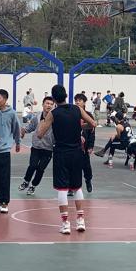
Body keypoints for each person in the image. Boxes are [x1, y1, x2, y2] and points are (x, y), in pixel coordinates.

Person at [37, 84, 97, 235]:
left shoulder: (53, 113)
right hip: (77, 152)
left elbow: (40, 134)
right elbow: (93, 124)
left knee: (62, 188)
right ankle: (81, 220)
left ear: (54, 99)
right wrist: (79, 127)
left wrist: (45, 118)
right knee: (77, 187)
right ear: (66, 95)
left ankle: (65, 224)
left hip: (61, 153)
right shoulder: (77, 109)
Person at [19, 97, 55, 195]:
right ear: (43, 105)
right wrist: (24, 130)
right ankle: (26, 181)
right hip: (36, 147)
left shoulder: (55, 118)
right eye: (47, 103)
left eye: (51, 104)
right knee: (32, 165)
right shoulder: (37, 117)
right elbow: (30, 127)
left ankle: (33, 186)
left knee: (40, 169)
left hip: (48, 148)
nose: (49, 105)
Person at [75, 93, 96, 192]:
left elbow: (92, 132)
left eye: (79, 100)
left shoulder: (89, 115)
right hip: (74, 145)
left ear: (84, 102)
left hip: (85, 146)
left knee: (86, 166)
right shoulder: (73, 114)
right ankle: (72, 186)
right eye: (76, 100)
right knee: (73, 167)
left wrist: (91, 146)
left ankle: (88, 181)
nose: (77, 102)